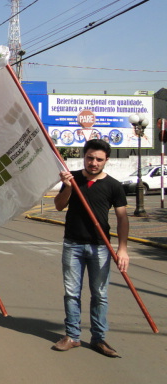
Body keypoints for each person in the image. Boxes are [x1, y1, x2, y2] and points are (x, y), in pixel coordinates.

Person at [52, 139, 129, 358]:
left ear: (106, 161)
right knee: (71, 293)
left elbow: (122, 218)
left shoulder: (114, 185)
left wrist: (122, 249)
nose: (93, 163)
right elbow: (59, 206)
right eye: (90, 158)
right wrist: (68, 187)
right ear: (84, 156)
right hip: (73, 244)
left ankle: (99, 338)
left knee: (100, 294)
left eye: (99, 160)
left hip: (100, 247)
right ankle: (72, 336)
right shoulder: (72, 178)